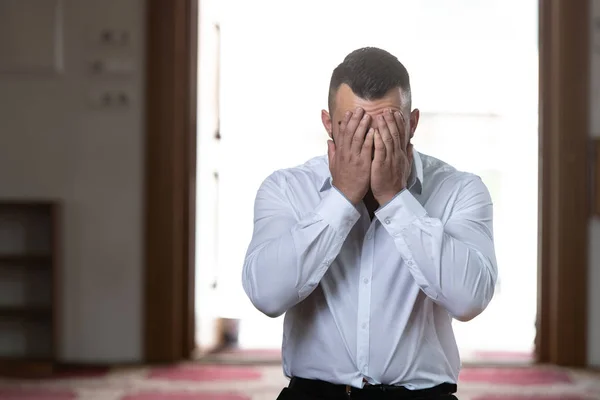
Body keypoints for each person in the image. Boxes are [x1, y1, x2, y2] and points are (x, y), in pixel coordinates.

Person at [241, 47, 497, 400]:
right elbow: (266, 296)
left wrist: (395, 199)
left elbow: (469, 300)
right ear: (328, 123)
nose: (371, 142)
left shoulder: (461, 190)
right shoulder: (286, 189)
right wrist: (342, 197)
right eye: (354, 127)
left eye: (386, 127)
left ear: (412, 123)